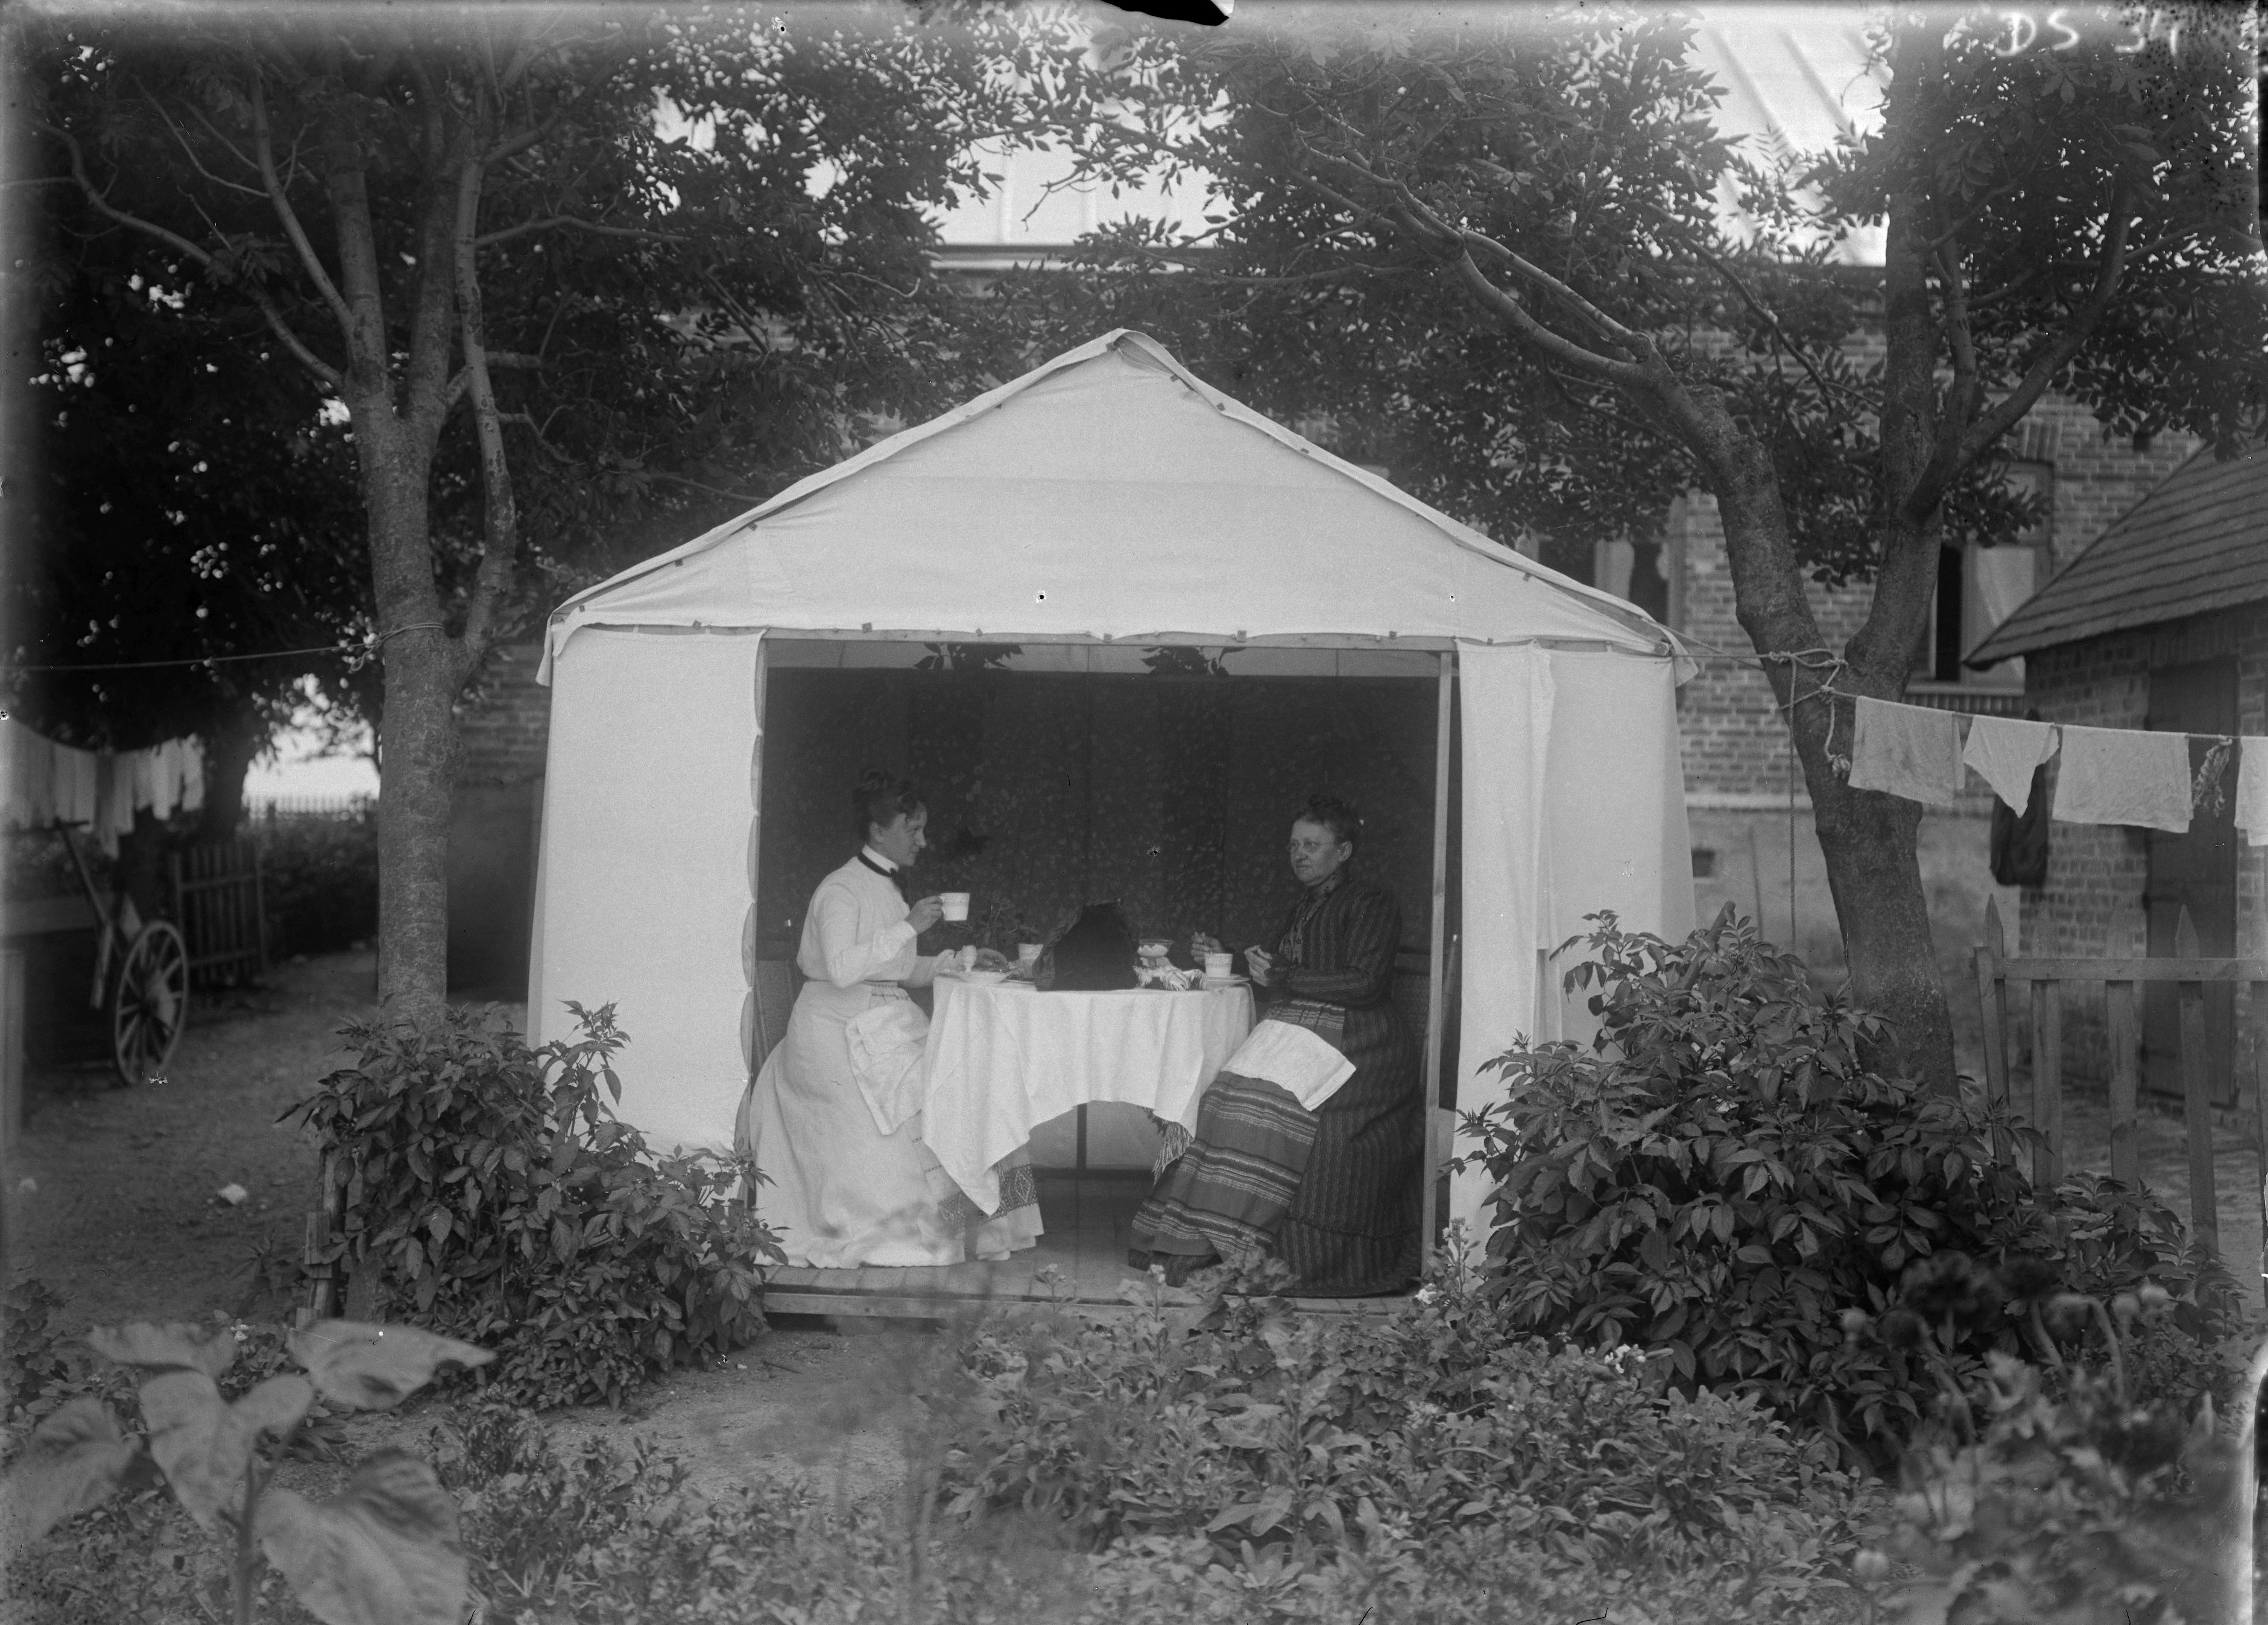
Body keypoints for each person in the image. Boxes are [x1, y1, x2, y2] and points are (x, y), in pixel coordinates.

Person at [741, 769, 1042, 1268]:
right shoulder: (841, 889)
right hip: (835, 1035)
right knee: (928, 1100)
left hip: (881, 1024)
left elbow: (893, 969)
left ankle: (978, 1226)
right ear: (878, 830)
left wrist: (957, 961)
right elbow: (842, 968)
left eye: (923, 829)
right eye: (912, 829)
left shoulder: (889, 888)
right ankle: (927, 1231)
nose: (923, 841)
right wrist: (909, 925)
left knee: (966, 1086)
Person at [1128, 794, 1421, 1295]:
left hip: (1360, 1041)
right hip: (1301, 1029)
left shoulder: (1371, 902)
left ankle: (1241, 1249)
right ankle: (1209, 1242)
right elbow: (1282, 973)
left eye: (1312, 845)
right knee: (1222, 1097)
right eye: (1293, 845)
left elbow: (1366, 982)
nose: (1299, 854)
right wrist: (1226, 956)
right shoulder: (1304, 905)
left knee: (1263, 1105)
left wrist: (1284, 976)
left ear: (1344, 851)